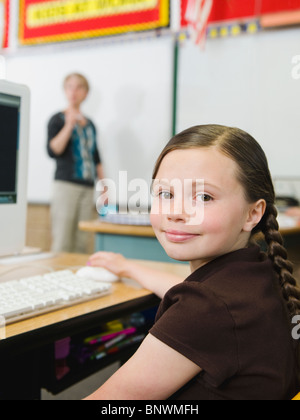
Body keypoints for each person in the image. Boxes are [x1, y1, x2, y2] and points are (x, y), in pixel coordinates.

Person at [85, 125, 300, 400]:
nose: (176, 212)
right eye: (165, 194)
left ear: (252, 213)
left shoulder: (205, 310)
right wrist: (129, 268)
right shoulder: (259, 275)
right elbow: (200, 298)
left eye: (204, 197)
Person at [47, 73, 104, 253]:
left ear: (85, 93)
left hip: (87, 187)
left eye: (79, 87)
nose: (74, 91)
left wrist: (104, 186)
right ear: (65, 91)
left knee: (81, 242)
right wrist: (69, 125)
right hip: (66, 186)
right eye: (70, 87)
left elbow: (95, 156)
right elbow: (53, 150)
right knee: (63, 240)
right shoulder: (57, 119)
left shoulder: (90, 124)